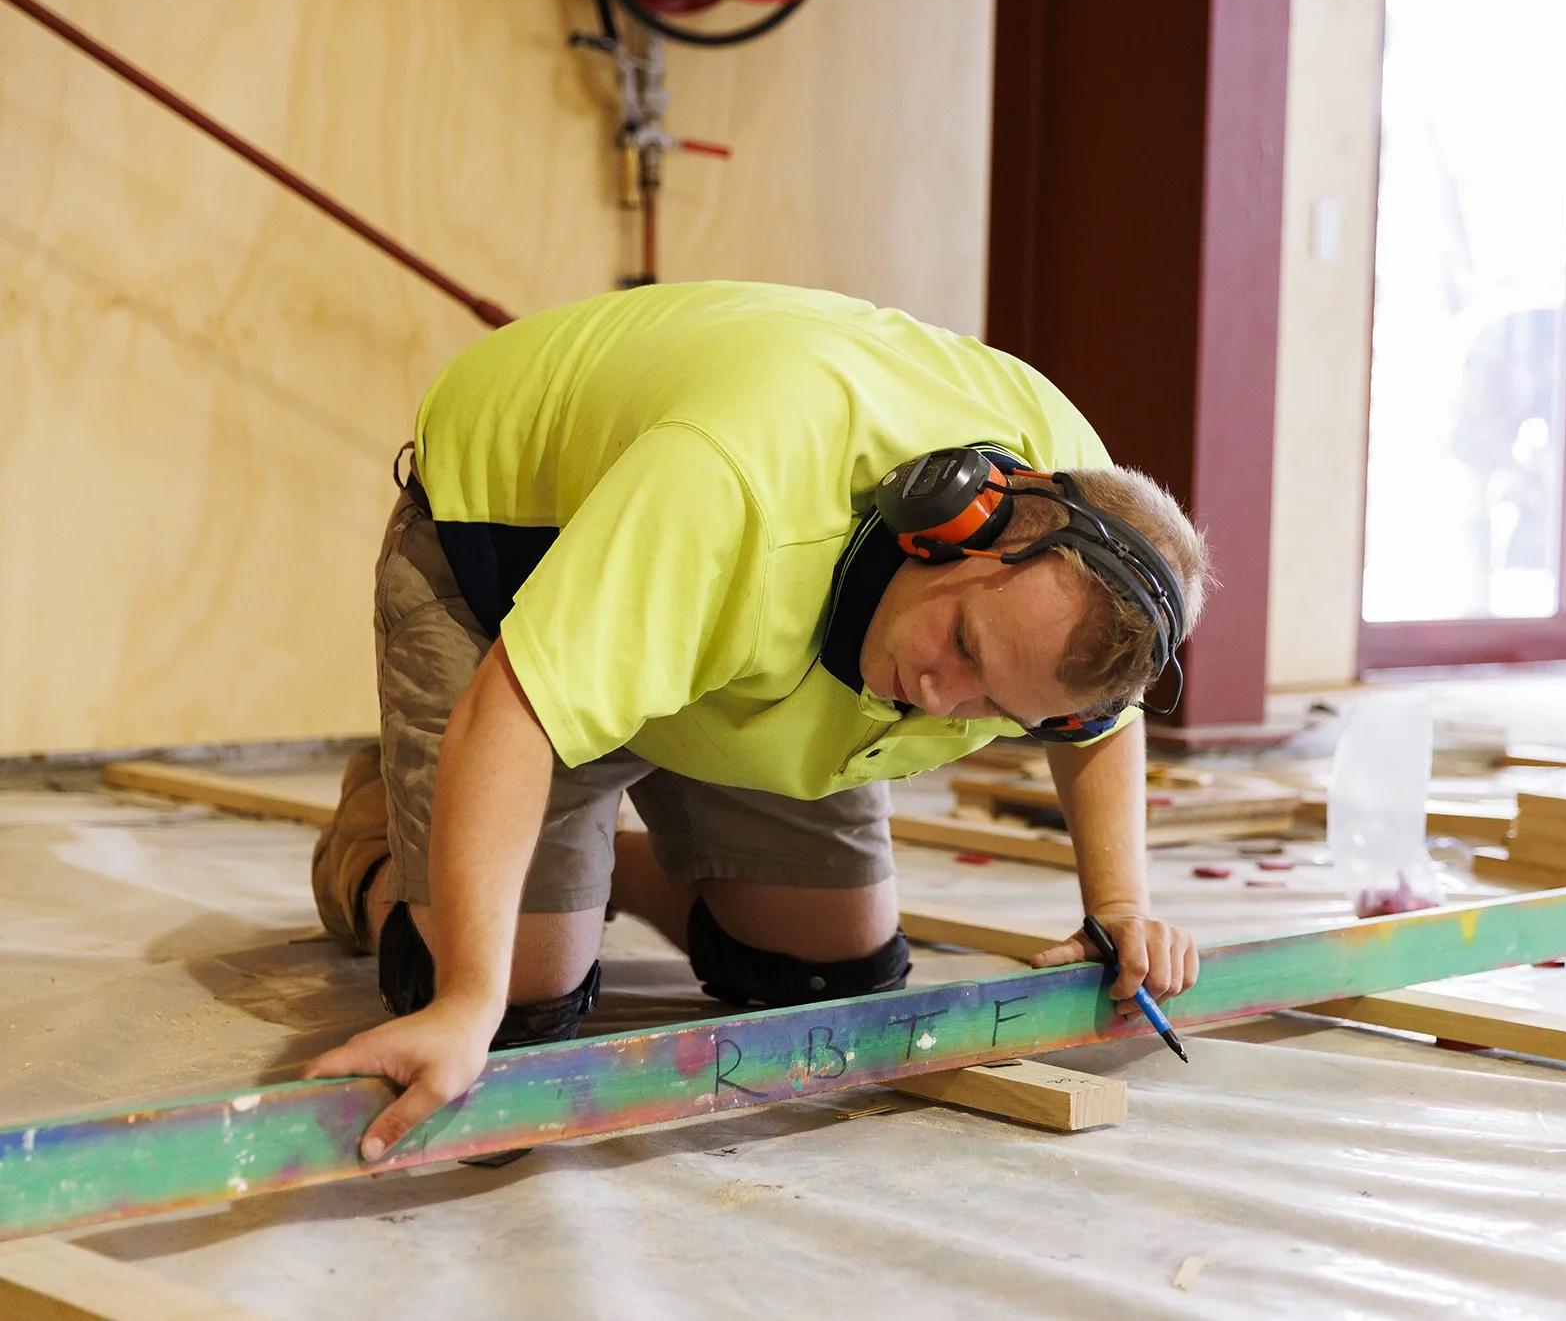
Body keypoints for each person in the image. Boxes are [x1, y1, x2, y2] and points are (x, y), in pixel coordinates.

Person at [302, 281, 1212, 1162]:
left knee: (828, 984)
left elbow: (1097, 725)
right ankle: (380, 837)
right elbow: (514, 711)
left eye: (995, 705)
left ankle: (568, 862)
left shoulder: (1092, 563)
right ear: (948, 521)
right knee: (515, 1014)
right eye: (963, 645)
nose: (938, 698)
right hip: (502, 560)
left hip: (726, 624)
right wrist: (465, 1000)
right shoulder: (740, 487)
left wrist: (1118, 908)